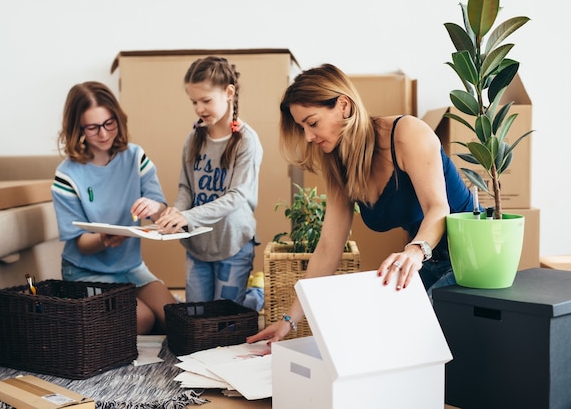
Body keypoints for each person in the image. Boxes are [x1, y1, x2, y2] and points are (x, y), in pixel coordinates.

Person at [247, 63, 477, 346]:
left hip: (471, 256)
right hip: (428, 263)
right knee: (375, 335)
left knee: (416, 340)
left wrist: (415, 252)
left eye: (313, 122)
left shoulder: (406, 133)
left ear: (344, 105)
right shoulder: (339, 165)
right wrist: (289, 321)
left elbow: (438, 208)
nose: (308, 136)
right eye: (301, 127)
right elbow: (329, 248)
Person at [51, 81, 177, 335]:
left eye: (110, 123)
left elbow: (162, 209)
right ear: (78, 129)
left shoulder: (135, 156)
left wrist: (154, 206)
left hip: (131, 267)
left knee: (173, 318)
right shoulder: (67, 175)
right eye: (93, 127)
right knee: (142, 319)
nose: (105, 133)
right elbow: (80, 243)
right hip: (85, 271)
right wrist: (104, 239)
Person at [155, 56, 264, 311]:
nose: (199, 109)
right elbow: (186, 188)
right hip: (198, 246)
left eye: (206, 100)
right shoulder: (193, 138)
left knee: (225, 315)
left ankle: (256, 295)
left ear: (228, 93)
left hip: (233, 242)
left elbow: (237, 196)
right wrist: (177, 211)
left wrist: (188, 216)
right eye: (194, 102)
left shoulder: (247, 141)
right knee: (197, 315)